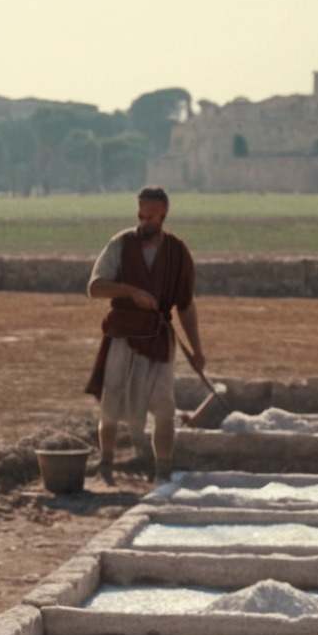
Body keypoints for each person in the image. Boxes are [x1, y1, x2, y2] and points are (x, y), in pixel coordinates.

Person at [85, 185, 207, 482]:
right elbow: (95, 287)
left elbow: (186, 306)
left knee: (164, 407)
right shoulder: (120, 244)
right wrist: (131, 292)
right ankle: (106, 463)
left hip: (158, 339)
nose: (143, 222)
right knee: (111, 401)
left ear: (163, 215)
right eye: (140, 215)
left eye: (150, 217)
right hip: (123, 334)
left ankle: (163, 470)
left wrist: (197, 350)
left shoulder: (178, 253)